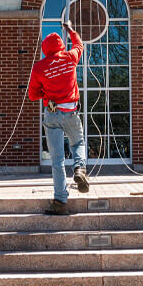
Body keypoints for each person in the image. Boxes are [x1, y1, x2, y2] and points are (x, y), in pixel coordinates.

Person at [27, 24, 89, 215]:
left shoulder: (39, 67)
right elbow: (79, 44)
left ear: (45, 49)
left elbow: (32, 95)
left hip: (52, 114)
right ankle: (79, 168)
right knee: (77, 141)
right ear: (61, 45)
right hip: (70, 112)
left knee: (56, 160)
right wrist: (71, 30)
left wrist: (46, 92)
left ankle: (60, 201)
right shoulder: (70, 57)